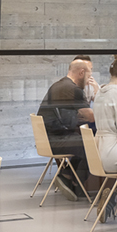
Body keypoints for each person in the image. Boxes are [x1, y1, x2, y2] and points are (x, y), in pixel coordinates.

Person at [37, 56, 95, 201]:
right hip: (56, 141)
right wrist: (99, 93)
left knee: (86, 141)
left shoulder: (61, 84)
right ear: (81, 73)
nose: (90, 77)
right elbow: (91, 117)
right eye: (89, 73)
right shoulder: (72, 89)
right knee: (92, 145)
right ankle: (74, 182)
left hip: (49, 138)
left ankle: (68, 175)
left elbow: (81, 114)